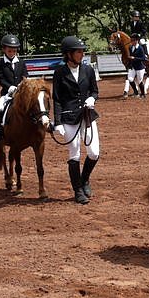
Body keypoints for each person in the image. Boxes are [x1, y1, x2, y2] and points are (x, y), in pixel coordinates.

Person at [51, 36, 100, 204]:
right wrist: (57, 122)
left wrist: (92, 99)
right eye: (79, 51)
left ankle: (84, 179)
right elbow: (56, 98)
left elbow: (95, 91)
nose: (82, 54)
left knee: (94, 153)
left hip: (87, 115)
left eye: (82, 51)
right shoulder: (59, 73)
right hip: (69, 118)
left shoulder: (88, 70)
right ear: (69, 54)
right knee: (75, 154)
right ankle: (78, 190)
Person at [0, 34, 28, 141]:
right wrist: (9, 87)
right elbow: (0, 79)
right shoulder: (0, 63)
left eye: (14, 51)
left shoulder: (21, 62)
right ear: (4, 50)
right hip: (7, 93)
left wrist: (23, 84)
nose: (12, 53)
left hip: (21, 92)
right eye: (10, 51)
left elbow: (25, 76)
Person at [123, 32, 148, 99]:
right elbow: (130, 56)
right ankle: (136, 92)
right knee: (130, 79)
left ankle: (143, 94)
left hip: (140, 67)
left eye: (133, 40)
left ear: (137, 40)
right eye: (131, 40)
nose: (132, 42)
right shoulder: (131, 47)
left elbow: (143, 58)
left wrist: (135, 58)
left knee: (140, 81)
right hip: (133, 67)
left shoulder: (140, 48)